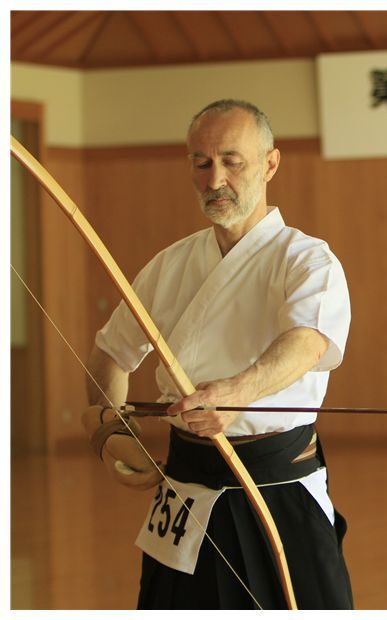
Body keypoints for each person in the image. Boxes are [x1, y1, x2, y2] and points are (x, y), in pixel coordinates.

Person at [80, 99, 352, 609]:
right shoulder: (170, 265)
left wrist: (236, 394)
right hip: (185, 483)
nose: (215, 180)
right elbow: (109, 357)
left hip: (277, 485)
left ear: (270, 164)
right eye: (201, 163)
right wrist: (112, 431)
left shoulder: (307, 259)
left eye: (232, 161)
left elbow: (308, 343)